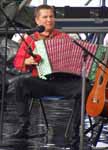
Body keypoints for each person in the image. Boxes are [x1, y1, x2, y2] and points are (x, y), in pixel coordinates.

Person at [10, 4, 91, 150]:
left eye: (51, 16)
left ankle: (75, 130)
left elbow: (78, 59)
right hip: (42, 83)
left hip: (63, 82)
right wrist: (27, 61)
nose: (49, 20)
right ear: (37, 20)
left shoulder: (64, 37)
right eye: (45, 17)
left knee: (86, 86)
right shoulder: (30, 39)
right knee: (20, 83)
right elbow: (17, 63)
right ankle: (24, 126)